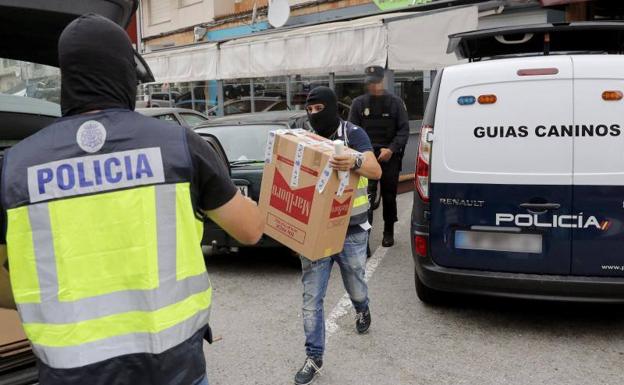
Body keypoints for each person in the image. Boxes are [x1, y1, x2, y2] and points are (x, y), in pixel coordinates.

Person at [0, 14, 263, 385]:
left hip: (70, 376)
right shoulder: (178, 146)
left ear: (68, 77)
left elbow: (10, 288)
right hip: (173, 371)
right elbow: (251, 230)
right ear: (125, 73)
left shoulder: (15, 167)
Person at [295, 87, 382, 385]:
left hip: (352, 230)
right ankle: (313, 357)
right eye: (310, 110)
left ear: (332, 108)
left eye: (320, 108)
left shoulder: (353, 134)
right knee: (311, 298)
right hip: (316, 234)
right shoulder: (305, 139)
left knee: (355, 283)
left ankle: (362, 307)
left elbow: (375, 169)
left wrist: (354, 161)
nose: (314, 115)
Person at [349, 66, 409, 247]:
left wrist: (391, 149)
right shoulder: (359, 103)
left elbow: (404, 130)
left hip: (388, 156)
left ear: (382, 81)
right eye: (370, 83)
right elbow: (352, 131)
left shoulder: (395, 103)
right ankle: (364, 238)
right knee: (367, 198)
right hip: (367, 157)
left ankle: (388, 231)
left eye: (376, 83)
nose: (373, 87)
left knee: (389, 196)